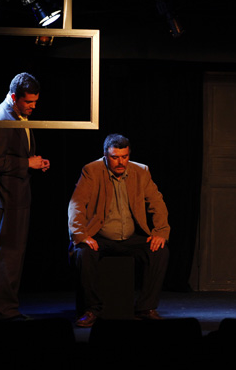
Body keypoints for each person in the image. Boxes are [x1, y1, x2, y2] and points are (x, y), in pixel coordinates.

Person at [68, 133, 170, 327]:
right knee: (83, 253)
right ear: (105, 155)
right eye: (115, 157)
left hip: (131, 237)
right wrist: (81, 235)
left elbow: (157, 203)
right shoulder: (92, 170)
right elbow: (76, 204)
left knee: (160, 251)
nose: (120, 162)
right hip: (100, 236)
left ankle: (146, 307)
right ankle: (92, 310)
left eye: (124, 157)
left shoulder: (141, 171)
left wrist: (160, 231)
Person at [0, 72, 50, 321]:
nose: (33, 106)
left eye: (35, 101)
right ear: (14, 98)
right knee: (7, 255)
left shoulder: (18, 113)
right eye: (28, 102)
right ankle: (4, 310)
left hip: (17, 194)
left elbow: (16, 150)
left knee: (14, 254)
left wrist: (34, 161)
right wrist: (26, 164)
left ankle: (8, 308)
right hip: (7, 197)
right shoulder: (1, 118)